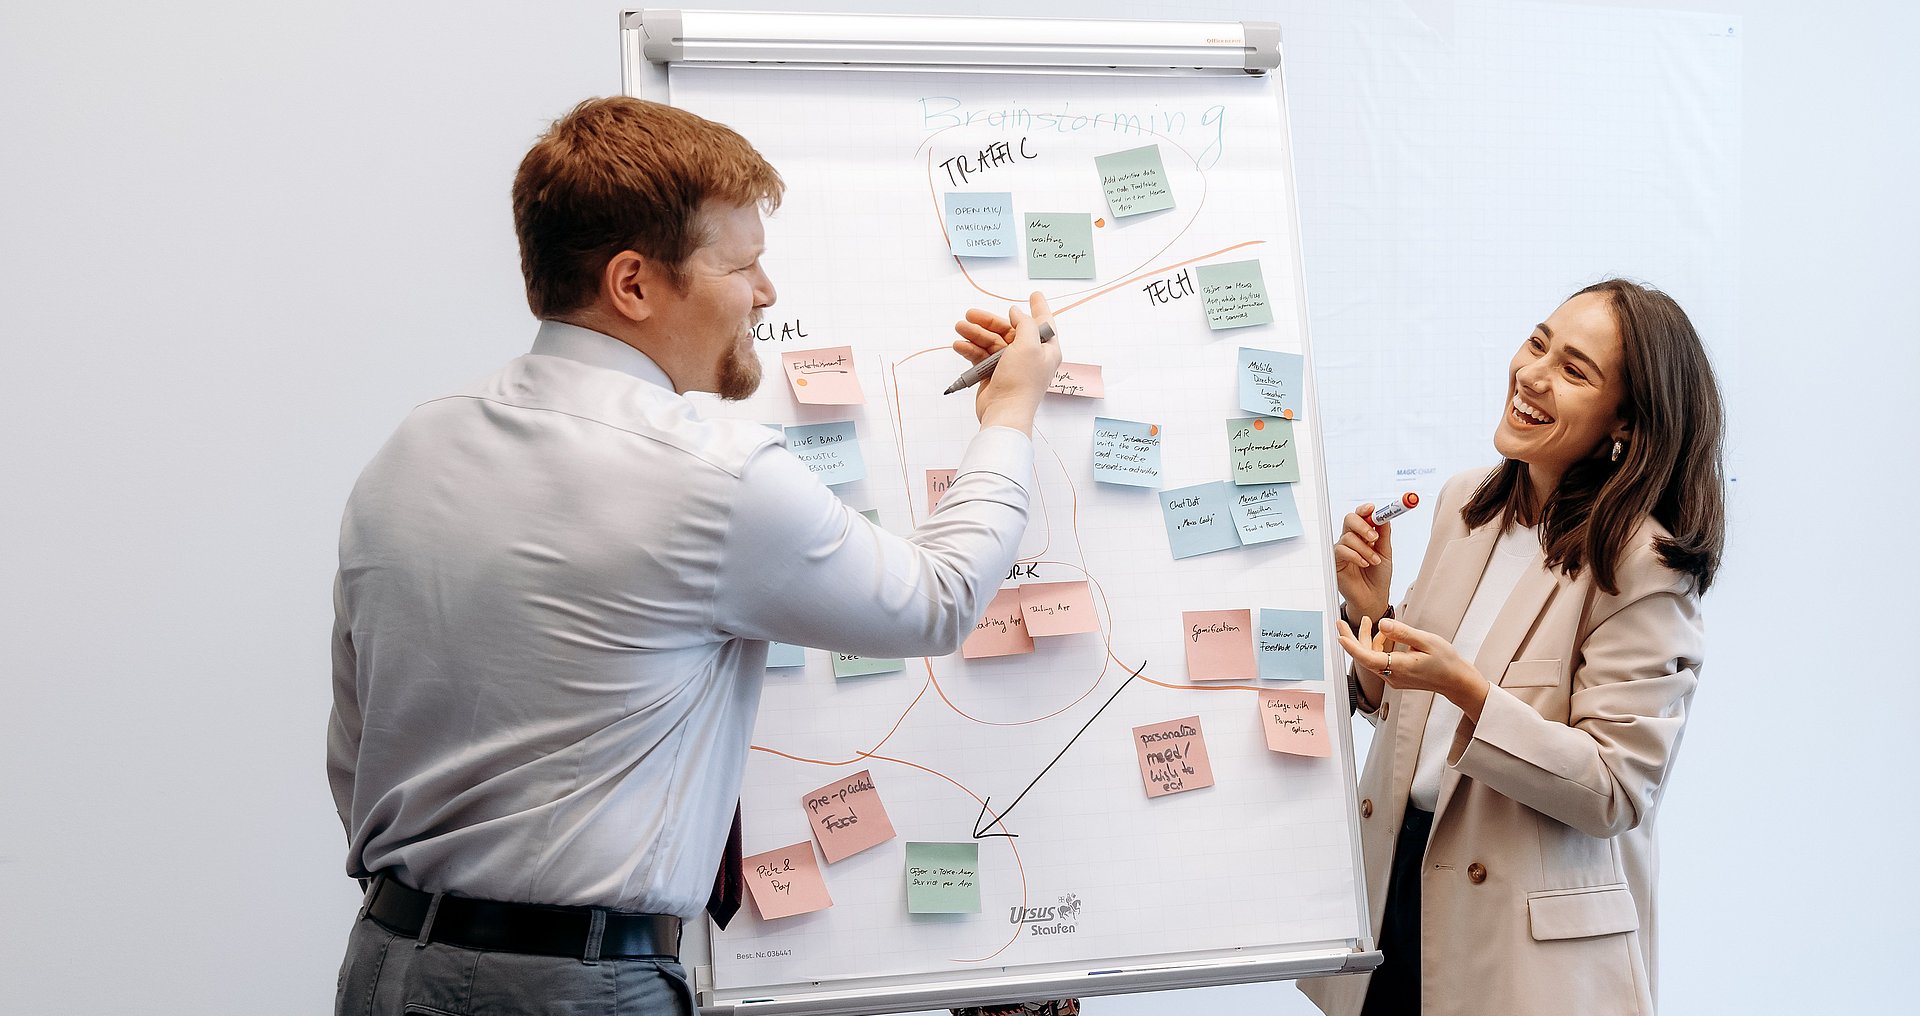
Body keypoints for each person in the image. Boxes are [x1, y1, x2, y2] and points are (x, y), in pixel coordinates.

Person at [327, 96, 1062, 1016]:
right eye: (743, 264)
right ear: (633, 284)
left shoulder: (408, 450)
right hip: (576, 989)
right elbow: (939, 599)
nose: (766, 294)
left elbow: (357, 756)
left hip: (387, 967)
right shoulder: (710, 474)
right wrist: (1011, 416)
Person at [1299, 279, 1724, 1016]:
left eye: (1574, 370)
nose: (1532, 375)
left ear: (1625, 422)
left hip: (1524, 953)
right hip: (1399, 886)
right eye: (1538, 343)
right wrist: (1373, 620)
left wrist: (1470, 694)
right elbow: (1408, 716)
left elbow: (1618, 789)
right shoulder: (1464, 507)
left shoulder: (1644, 568)